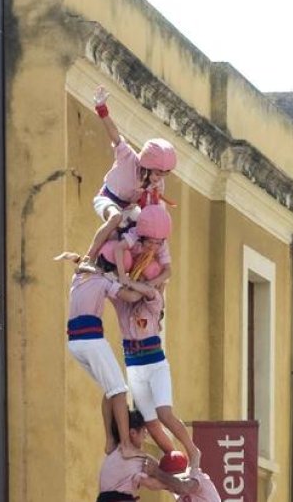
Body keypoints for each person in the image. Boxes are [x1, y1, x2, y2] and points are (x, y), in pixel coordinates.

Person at [108, 206, 201, 471]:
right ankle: (174, 459)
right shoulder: (125, 307)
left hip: (155, 364)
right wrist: (114, 276)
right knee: (150, 422)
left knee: (164, 413)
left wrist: (128, 281)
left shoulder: (154, 300)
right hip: (135, 366)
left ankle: (193, 451)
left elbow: (147, 291)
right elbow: (112, 290)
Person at [79, 86, 177, 273]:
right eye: (157, 173)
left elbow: (153, 211)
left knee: (143, 232)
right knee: (115, 218)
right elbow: (115, 135)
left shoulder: (157, 185)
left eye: (163, 175)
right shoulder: (128, 158)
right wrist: (101, 109)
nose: (159, 179)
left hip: (129, 209)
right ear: (146, 166)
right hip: (108, 199)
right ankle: (88, 258)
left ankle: (131, 273)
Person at [65, 257, 150, 459]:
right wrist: (146, 288)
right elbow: (129, 298)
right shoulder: (103, 281)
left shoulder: (78, 278)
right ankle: (126, 444)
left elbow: (83, 263)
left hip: (74, 342)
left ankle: (110, 440)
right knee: (119, 390)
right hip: (91, 339)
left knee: (110, 389)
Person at [98, 410, 200, 502]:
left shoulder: (114, 454)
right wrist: (178, 484)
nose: (145, 436)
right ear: (133, 433)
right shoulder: (135, 459)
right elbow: (152, 484)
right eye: (143, 431)